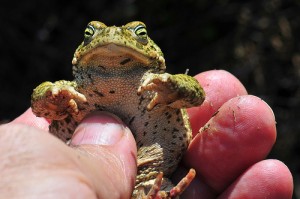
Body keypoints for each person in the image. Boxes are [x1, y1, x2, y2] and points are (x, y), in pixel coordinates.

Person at [0, 70, 293, 199]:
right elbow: (40, 106)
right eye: (91, 33)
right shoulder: (70, 87)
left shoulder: (160, 82)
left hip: (151, 180)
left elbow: (196, 95)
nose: (113, 40)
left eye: (138, 33)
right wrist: (49, 97)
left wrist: (174, 87)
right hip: (60, 174)